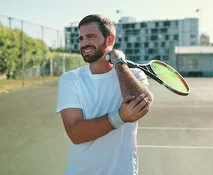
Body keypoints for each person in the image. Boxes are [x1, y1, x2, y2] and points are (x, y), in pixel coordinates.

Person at [56, 14, 154, 175]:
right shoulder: (70, 79)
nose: (84, 43)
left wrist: (119, 63)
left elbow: (141, 105)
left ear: (109, 40)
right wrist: (120, 117)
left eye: (90, 36)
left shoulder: (134, 75)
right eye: (81, 38)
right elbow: (75, 133)